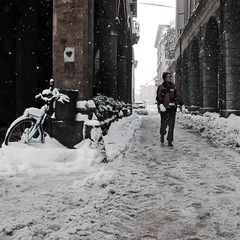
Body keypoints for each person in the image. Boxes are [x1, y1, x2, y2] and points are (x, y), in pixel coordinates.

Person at [156, 72, 184, 147]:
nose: (169, 78)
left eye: (170, 76)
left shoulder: (174, 87)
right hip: (164, 109)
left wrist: (181, 103)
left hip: (172, 108)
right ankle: (162, 134)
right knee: (164, 124)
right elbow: (158, 97)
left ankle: (170, 140)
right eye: (168, 76)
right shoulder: (161, 87)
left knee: (171, 125)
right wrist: (160, 104)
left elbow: (178, 95)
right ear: (164, 78)